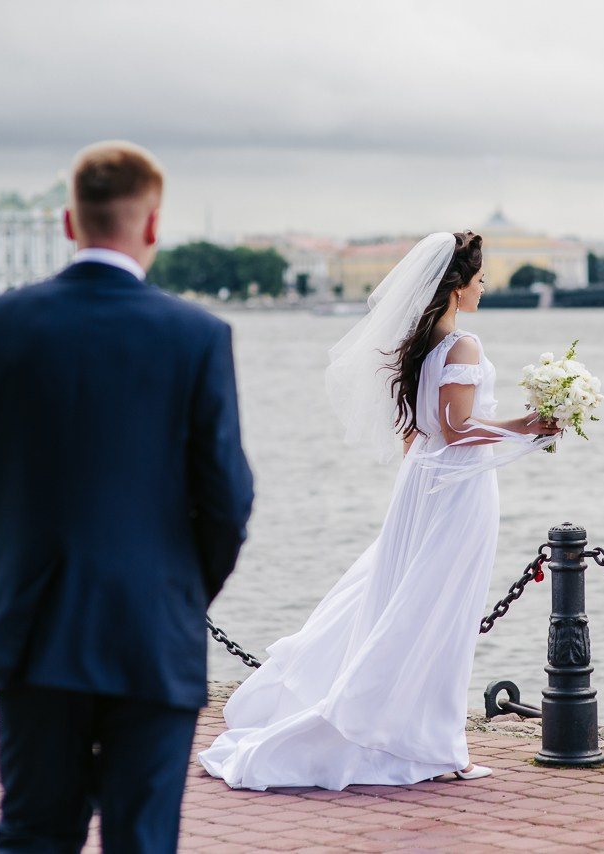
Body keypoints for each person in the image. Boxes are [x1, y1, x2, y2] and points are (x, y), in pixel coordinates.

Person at [0, 140, 254, 852]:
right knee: (142, 838)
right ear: (153, 226)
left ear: (68, 223)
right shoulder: (198, 335)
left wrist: (18, 561)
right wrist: (181, 589)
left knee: (33, 831)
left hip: (34, 622)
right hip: (153, 629)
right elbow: (227, 499)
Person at [199, 230, 559, 791]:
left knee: (414, 600)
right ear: (457, 286)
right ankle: (429, 741)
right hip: (456, 489)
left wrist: (519, 428)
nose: (484, 287)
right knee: (441, 610)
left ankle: (429, 736)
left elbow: (428, 432)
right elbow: (460, 428)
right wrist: (529, 428)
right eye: (480, 278)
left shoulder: (426, 346)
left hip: (427, 481)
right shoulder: (463, 346)